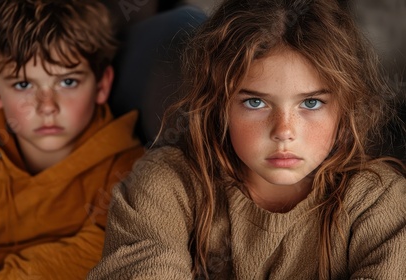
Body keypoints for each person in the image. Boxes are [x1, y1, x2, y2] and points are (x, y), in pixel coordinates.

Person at [87, 0, 406, 279]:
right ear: (219, 106)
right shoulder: (165, 185)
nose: (284, 131)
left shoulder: (380, 202)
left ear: (344, 108)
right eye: (256, 102)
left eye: (310, 103)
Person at [0, 0, 144, 279]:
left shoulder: (128, 170)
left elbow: (106, 253)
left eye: (67, 82)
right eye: (23, 85)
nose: (46, 106)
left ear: (102, 85)